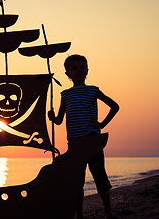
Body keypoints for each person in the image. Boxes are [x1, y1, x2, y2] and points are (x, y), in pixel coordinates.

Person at [48, 54, 119, 219]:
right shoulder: (65, 94)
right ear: (68, 74)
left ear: (87, 70)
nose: (79, 70)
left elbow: (114, 106)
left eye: (82, 67)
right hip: (74, 142)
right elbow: (59, 120)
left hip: (92, 140)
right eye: (74, 68)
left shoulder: (93, 90)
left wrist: (102, 124)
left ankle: (108, 211)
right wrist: (52, 117)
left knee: (100, 176)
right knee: (77, 181)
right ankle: (79, 214)